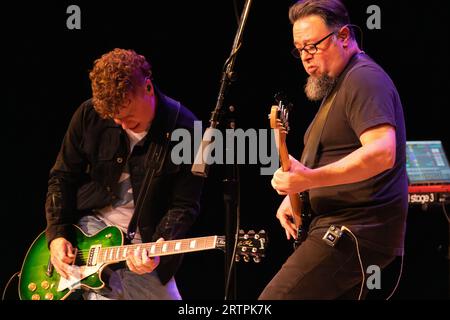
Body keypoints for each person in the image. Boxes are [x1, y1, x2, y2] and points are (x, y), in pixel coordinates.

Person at [259, 0, 407, 299]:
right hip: (342, 228)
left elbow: (382, 153)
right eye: (300, 49)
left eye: (313, 46)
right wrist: (299, 196)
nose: (306, 57)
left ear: (343, 37)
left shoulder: (364, 79)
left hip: (355, 231)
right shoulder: (342, 84)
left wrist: (309, 180)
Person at [45, 48, 204, 300]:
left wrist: (161, 244)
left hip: (144, 249)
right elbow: (61, 178)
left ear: (148, 88)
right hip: (87, 236)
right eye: (115, 118)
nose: (122, 123)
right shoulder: (88, 115)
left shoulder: (190, 130)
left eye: (128, 114)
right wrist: (57, 234)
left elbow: (185, 205)